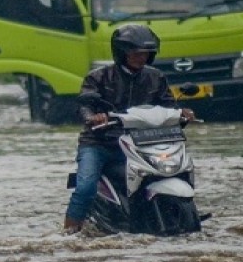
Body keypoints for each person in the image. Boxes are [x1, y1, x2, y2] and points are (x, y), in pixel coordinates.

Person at [63, 24, 196, 234]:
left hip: (141, 143)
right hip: (100, 143)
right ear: (122, 53)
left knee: (171, 170)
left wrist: (183, 113)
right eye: (135, 53)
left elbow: (168, 105)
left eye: (145, 54)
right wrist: (93, 117)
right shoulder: (98, 77)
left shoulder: (156, 77)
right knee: (86, 186)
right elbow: (84, 106)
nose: (140, 58)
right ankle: (69, 231)